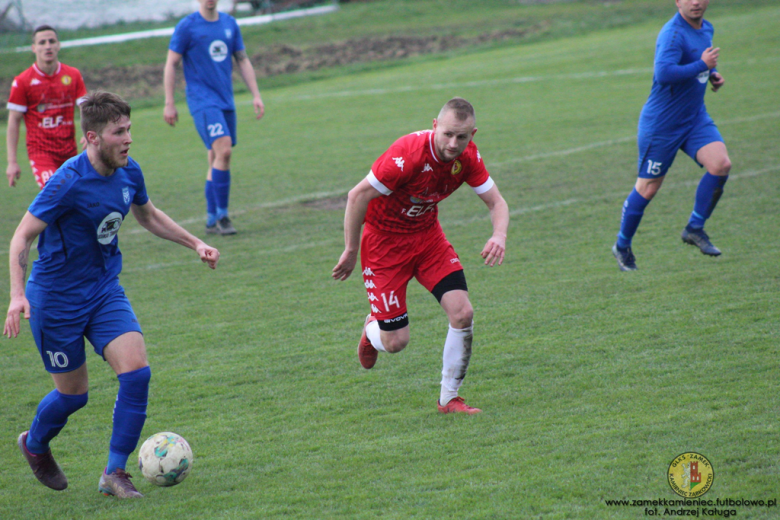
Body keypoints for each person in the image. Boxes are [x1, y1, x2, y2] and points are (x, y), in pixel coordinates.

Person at [4, 91, 220, 498]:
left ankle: (114, 473)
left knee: (137, 372)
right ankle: (34, 443)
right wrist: (17, 295)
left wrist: (195, 244)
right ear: (92, 137)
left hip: (103, 291)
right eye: (118, 132)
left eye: (129, 130)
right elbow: (22, 237)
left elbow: (148, 215)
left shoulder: (129, 171)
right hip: (56, 299)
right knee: (74, 396)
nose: (128, 139)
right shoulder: (67, 181)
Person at [332, 97, 509, 415]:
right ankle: (372, 332)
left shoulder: (467, 158)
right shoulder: (406, 155)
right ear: (435, 126)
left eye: (462, 137)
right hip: (384, 247)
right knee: (396, 342)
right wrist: (351, 249)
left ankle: (449, 399)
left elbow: (497, 203)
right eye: (448, 134)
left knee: (462, 313)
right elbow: (356, 195)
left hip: (428, 240)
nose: (453, 144)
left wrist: (499, 235)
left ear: (473, 134)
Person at [612, 0, 731, 271]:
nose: (696, 2)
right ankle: (622, 245)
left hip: (694, 118)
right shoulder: (672, 33)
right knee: (649, 187)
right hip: (662, 125)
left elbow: (697, 60)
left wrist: (712, 73)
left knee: (721, 164)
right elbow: (664, 73)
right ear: (677, 1)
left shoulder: (705, 28)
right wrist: (702, 63)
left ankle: (695, 228)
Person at [163, 0, 265, 235]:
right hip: (202, 101)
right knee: (225, 150)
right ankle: (222, 216)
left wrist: (256, 95)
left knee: (216, 156)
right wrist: (169, 102)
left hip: (225, 101)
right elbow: (171, 64)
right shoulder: (187, 26)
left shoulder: (229, 24)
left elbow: (242, 59)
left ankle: (210, 219)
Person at [6, 25, 87, 189]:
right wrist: (12, 162)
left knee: (76, 198)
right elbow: (14, 120)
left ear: (59, 45)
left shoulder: (73, 75)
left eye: (52, 41)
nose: (48, 46)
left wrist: (88, 132)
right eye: (42, 42)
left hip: (69, 151)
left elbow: (85, 107)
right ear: (34, 48)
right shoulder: (23, 81)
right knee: (55, 192)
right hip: (41, 152)